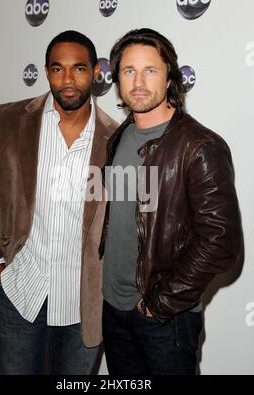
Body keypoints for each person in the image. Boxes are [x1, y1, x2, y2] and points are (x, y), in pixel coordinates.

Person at [0, 30, 118, 375]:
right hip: (20, 292)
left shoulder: (116, 140)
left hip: (83, 306)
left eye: (78, 68)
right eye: (57, 68)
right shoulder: (7, 120)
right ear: (47, 71)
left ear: (95, 72)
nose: (67, 79)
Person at [100, 28, 243, 375]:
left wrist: (161, 303)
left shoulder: (199, 146)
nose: (138, 81)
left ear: (169, 79)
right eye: (128, 71)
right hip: (113, 310)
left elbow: (221, 242)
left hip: (165, 320)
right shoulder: (118, 137)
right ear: (117, 79)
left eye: (150, 70)